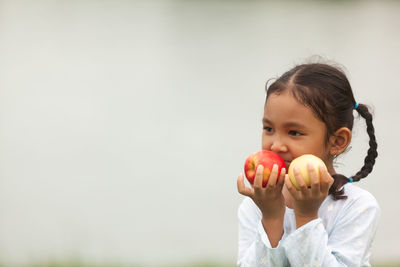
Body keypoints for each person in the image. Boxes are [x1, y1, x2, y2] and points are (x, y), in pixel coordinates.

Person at [236, 62, 380, 267]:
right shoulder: (257, 204)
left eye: (294, 132)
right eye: (268, 128)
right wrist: (271, 218)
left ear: (337, 141)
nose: (275, 145)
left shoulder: (357, 207)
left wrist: (307, 216)